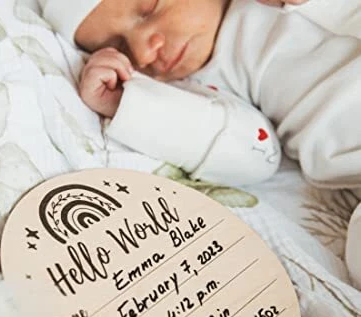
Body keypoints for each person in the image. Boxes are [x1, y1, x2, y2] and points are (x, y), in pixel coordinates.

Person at [37, 0, 361, 287]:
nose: (144, 52)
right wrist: (133, 105)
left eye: (149, 9)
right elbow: (258, 156)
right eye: (119, 47)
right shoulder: (198, 90)